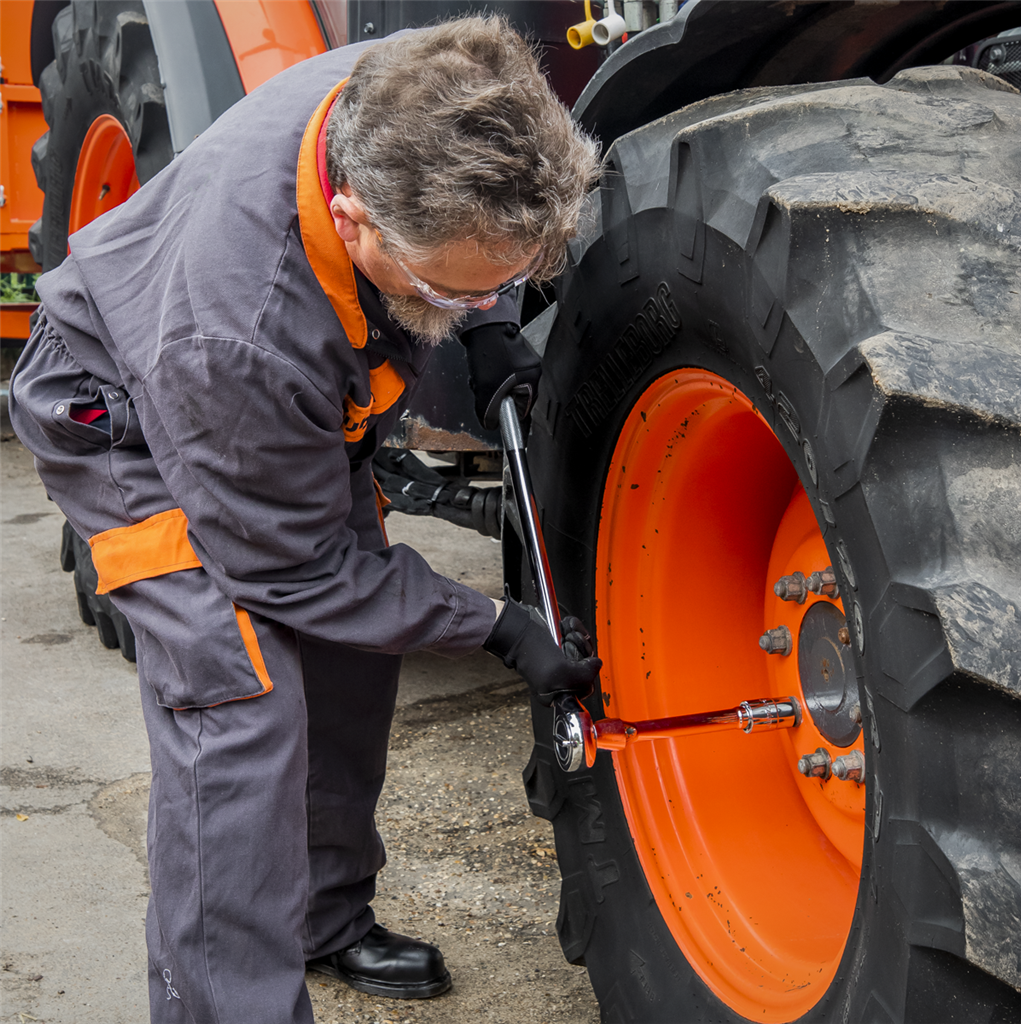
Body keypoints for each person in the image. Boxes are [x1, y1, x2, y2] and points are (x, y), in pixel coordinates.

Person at [10, 16, 602, 1024]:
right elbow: (293, 571)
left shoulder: (438, 86)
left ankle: (320, 917)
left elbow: (489, 221)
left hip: (274, 402)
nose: (483, 301)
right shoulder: (237, 326)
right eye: (453, 290)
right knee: (237, 697)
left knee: (353, 657)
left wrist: (493, 321)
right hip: (123, 419)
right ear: (356, 218)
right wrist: (495, 627)